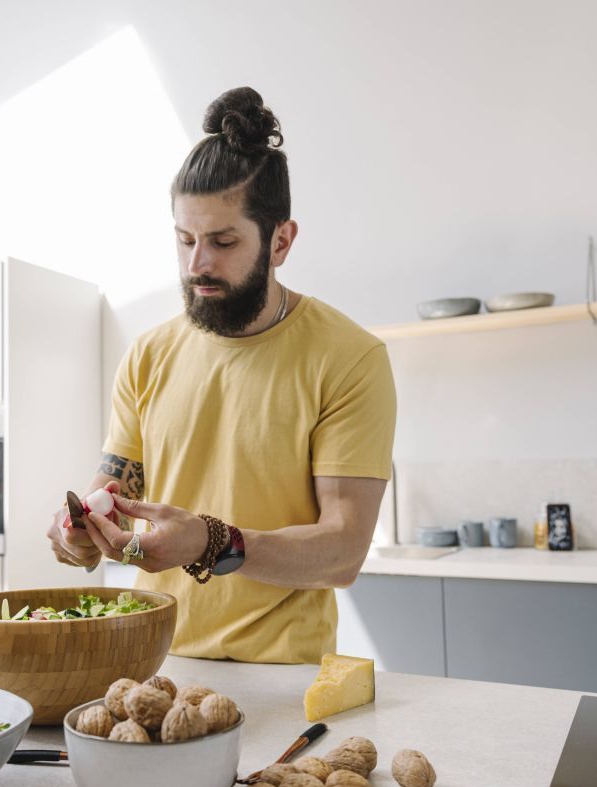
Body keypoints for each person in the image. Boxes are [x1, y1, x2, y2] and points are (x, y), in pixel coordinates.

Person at [45, 86, 396, 664]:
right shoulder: (149, 355)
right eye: (184, 240)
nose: (196, 265)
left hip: (283, 675)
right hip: (151, 660)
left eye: (223, 242)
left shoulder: (349, 358)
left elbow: (343, 551)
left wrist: (210, 543)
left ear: (280, 241)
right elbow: (113, 493)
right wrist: (81, 534)